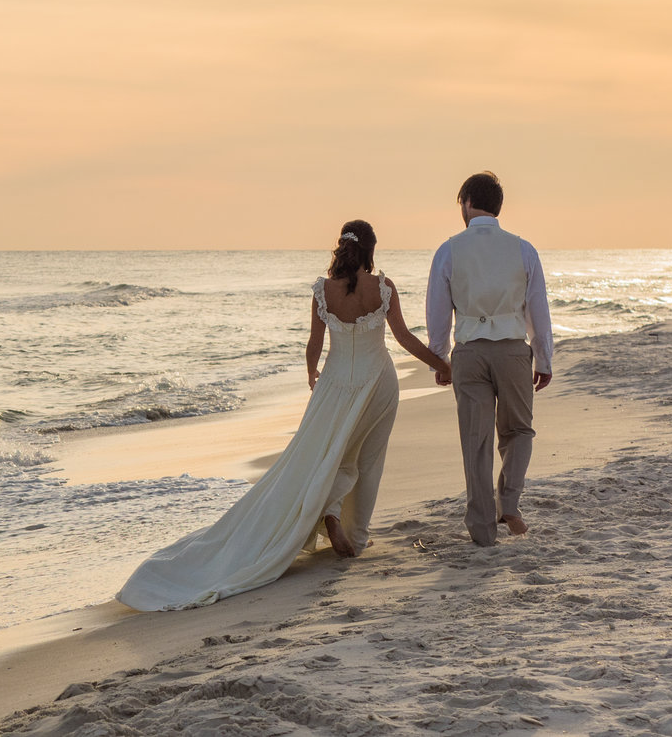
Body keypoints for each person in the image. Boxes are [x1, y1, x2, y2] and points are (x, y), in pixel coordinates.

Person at [117, 220, 451, 611]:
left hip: (336, 385)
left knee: (329, 456)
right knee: (367, 460)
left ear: (340, 248)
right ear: (371, 249)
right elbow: (404, 337)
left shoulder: (322, 292)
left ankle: (328, 512)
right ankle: (353, 535)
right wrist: (441, 365)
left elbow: (314, 344)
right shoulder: (382, 288)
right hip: (378, 383)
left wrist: (312, 374)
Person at [426, 171, 555, 547]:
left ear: (466, 202)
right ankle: (509, 502)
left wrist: (439, 358)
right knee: (518, 431)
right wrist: (543, 358)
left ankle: (482, 530)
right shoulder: (523, 249)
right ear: (497, 206)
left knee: (475, 441)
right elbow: (538, 310)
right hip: (513, 349)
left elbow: (437, 311)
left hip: (469, 350)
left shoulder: (449, 249)